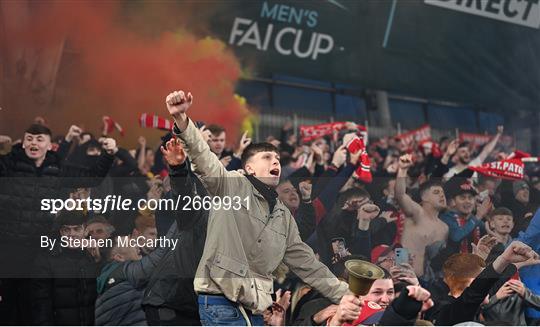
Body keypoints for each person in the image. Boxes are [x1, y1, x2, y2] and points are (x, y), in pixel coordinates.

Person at [166, 90, 347, 325]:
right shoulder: (230, 185)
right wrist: (182, 120)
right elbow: (203, 158)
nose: (275, 161)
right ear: (249, 168)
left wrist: (347, 295)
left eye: (278, 159)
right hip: (220, 301)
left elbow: (307, 264)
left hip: (257, 308)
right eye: (267, 157)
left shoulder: (283, 215)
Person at [0, 124, 116, 324]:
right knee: (7, 305)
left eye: (39, 139)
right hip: (9, 247)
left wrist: (109, 153)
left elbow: (93, 177)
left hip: (40, 249)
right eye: (29, 138)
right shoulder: (8, 164)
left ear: (49, 145)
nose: (33, 143)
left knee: (34, 303)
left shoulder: (58, 167)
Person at [142, 136, 209, 325]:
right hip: (169, 300)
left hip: (191, 301)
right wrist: (179, 167)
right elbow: (184, 193)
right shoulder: (174, 203)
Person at [426, 241, 540, 325]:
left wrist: (522, 262)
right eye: (481, 278)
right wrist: (504, 259)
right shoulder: (447, 312)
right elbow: (477, 291)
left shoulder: (476, 300)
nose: (487, 284)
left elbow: (494, 282)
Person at [32, 211, 101, 325]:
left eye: (76, 229)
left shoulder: (94, 257)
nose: (72, 234)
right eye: (66, 230)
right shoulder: (46, 260)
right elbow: (41, 304)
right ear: (61, 232)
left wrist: (98, 262)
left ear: (85, 230)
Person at [95, 231, 172, 326]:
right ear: (119, 257)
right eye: (131, 244)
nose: (136, 245)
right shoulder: (127, 272)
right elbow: (161, 255)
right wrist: (178, 225)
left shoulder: (107, 279)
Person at [395, 154, 448, 277]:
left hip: (428, 282)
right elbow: (400, 195)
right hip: (403, 277)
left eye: (442, 193)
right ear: (424, 197)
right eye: (436, 192)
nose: (441, 195)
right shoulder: (417, 213)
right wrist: (402, 170)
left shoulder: (444, 228)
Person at [440, 178, 491, 254]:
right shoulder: (446, 218)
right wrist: (478, 216)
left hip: (475, 263)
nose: (467, 201)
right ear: (454, 201)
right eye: (462, 197)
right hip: (452, 263)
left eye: (470, 198)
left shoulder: (476, 221)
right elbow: (456, 237)